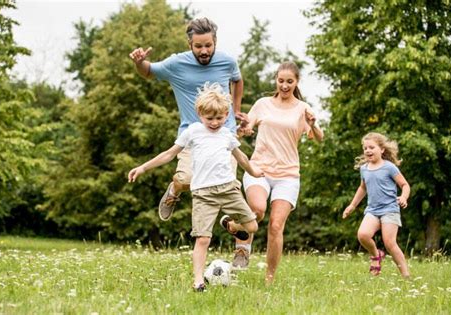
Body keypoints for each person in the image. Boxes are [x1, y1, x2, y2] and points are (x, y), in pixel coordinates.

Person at [128, 83, 263, 291]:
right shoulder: (193, 132)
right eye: (210, 118)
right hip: (203, 195)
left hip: (228, 190)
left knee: (252, 226)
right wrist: (143, 168)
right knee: (202, 239)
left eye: (219, 118)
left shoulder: (227, 135)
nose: (215, 123)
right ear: (200, 114)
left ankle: (230, 224)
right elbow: (169, 154)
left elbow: (241, 157)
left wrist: (254, 172)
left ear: (226, 115)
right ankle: (198, 281)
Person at [129, 17, 247, 221]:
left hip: (224, 135)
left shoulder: (227, 61)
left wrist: (235, 110)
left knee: (230, 187)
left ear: (215, 42)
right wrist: (139, 63)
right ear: (190, 44)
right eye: (198, 46)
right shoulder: (176, 64)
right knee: (186, 180)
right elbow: (148, 72)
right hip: (191, 137)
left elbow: (237, 79)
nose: (204, 51)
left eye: (208, 45)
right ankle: (174, 190)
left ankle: (241, 248)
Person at [236, 62, 324, 283]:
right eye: (281, 80)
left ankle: (269, 278)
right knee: (257, 209)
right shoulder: (263, 104)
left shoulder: (302, 108)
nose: (284, 85)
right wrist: (245, 129)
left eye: (289, 81)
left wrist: (312, 125)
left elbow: (320, 137)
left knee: (276, 225)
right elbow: (246, 127)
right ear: (276, 80)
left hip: (288, 175)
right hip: (260, 169)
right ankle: (242, 246)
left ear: (297, 82)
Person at [342, 132, 410, 278]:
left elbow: (405, 185)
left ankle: (406, 276)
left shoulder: (389, 167)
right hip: (372, 210)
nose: (368, 150)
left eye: (372, 147)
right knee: (363, 235)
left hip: (390, 209)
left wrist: (403, 197)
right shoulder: (364, 169)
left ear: (382, 150)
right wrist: (352, 206)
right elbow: (363, 188)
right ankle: (376, 254)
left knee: (390, 243)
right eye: (365, 148)